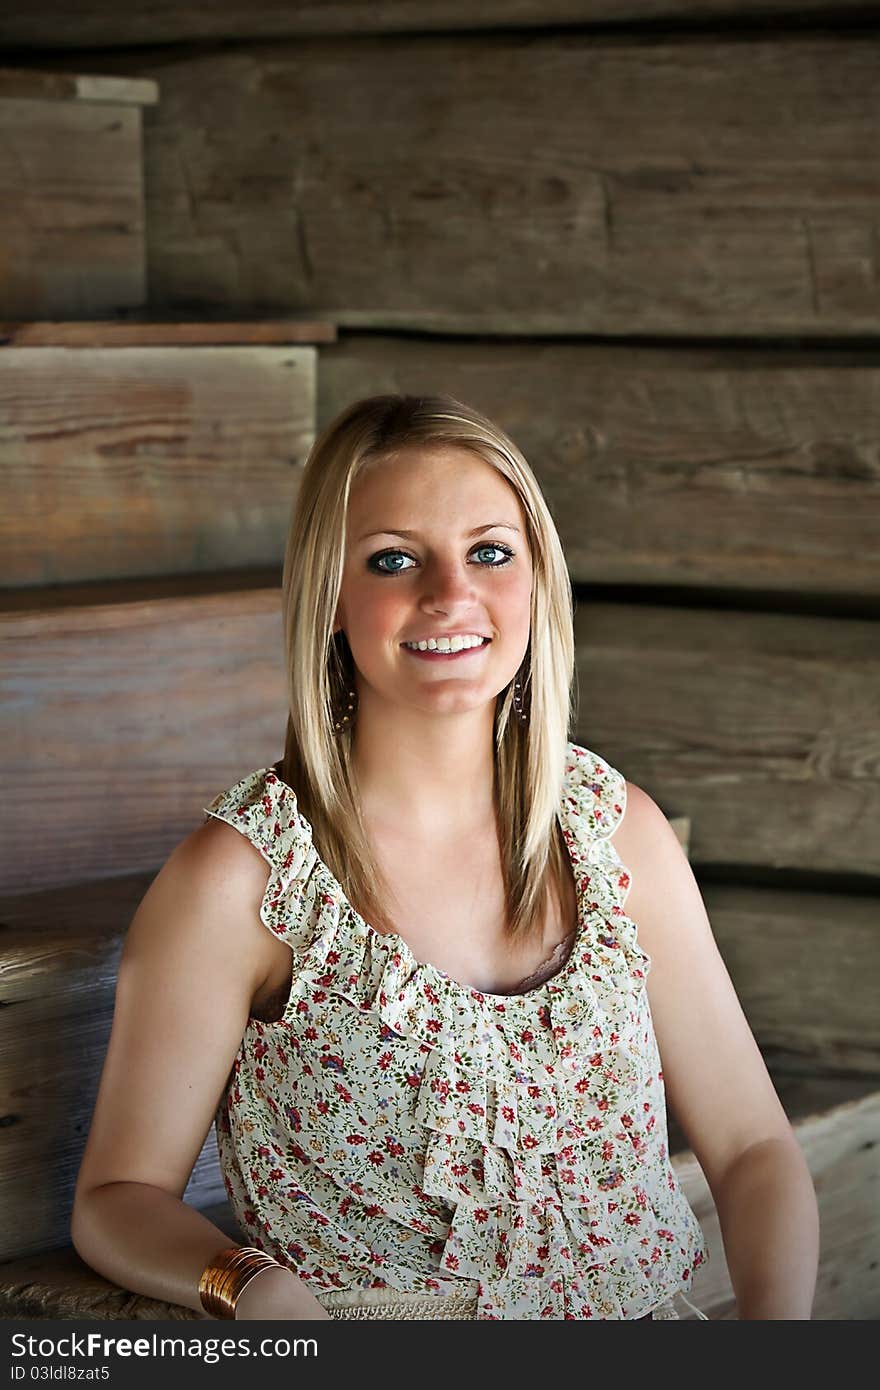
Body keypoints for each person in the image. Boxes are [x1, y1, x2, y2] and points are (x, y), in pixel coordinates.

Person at [71, 394, 819, 1321]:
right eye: (394, 559)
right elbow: (117, 1200)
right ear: (331, 594)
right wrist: (252, 1288)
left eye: (490, 552)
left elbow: (752, 1148)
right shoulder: (246, 879)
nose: (451, 595)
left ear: (537, 577)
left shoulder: (614, 832)